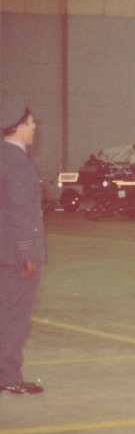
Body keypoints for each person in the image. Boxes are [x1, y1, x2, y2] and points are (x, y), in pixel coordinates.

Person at [1, 95, 46, 395]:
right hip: (16, 254)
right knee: (14, 317)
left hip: (3, 249)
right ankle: (8, 377)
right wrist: (28, 253)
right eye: (30, 124)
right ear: (18, 128)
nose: (34, 128)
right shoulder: (18, 162)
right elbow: (20, 212)